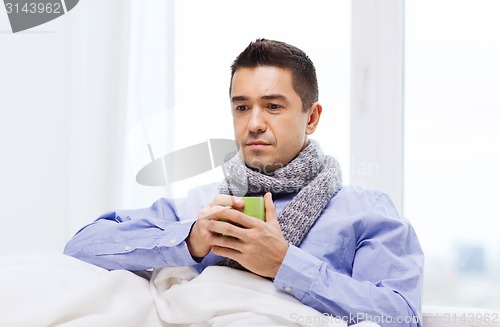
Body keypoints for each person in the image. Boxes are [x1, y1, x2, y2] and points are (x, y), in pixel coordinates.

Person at [64, 39, 424, 326]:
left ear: (311, 117)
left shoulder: (365, 211)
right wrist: (190, 240)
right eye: (241, 107)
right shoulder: (200, 207)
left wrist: (285, 264)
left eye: (272, 106)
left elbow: (401, 317)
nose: (253, 123)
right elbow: (81, 246)